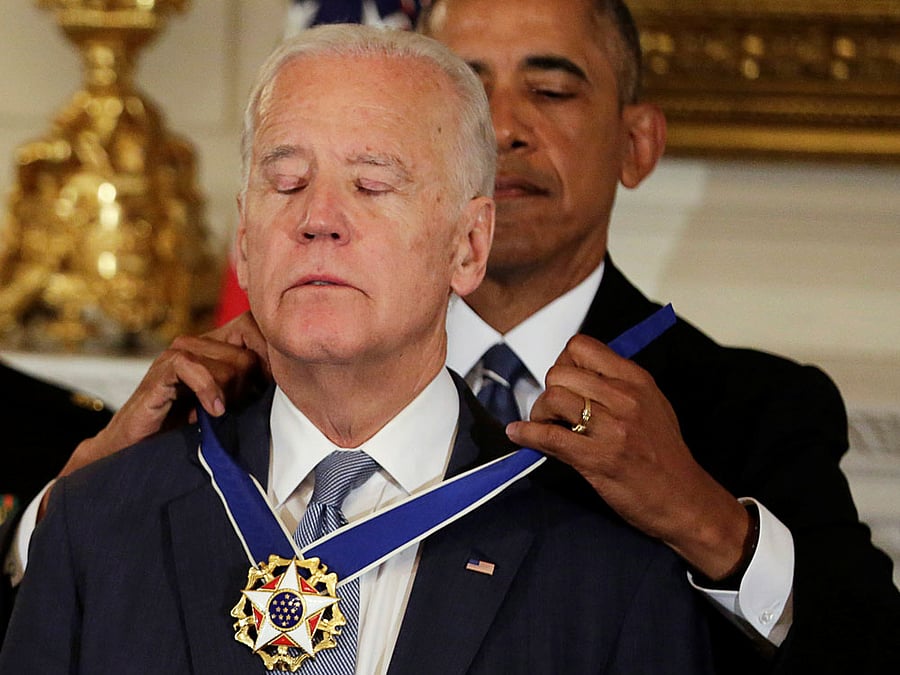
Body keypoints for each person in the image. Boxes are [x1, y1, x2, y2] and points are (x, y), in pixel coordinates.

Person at [0, 24, 713, 673]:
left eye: (372, 185)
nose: (317, 219)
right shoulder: (94, 523)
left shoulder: (607, 566)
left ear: (469, 246)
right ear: (244, 243)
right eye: (286, 182)